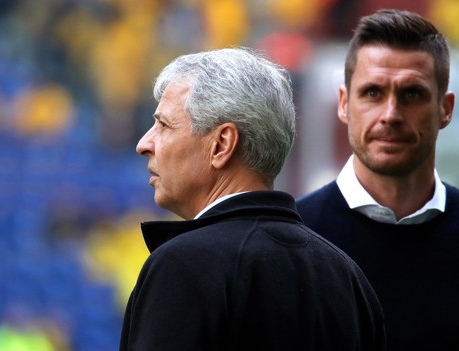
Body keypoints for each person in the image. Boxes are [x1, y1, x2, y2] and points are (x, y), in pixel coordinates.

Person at [296, 9, 459, 351]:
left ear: (446, 108)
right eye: (372, 93)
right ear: (343, 104)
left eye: (412, 94)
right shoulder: (291, 240)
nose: (391, 114)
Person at [119, 47, 386, 351]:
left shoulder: (183, 266)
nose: (144, 143)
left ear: (221, 145)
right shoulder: (348, 278)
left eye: (164, 125)